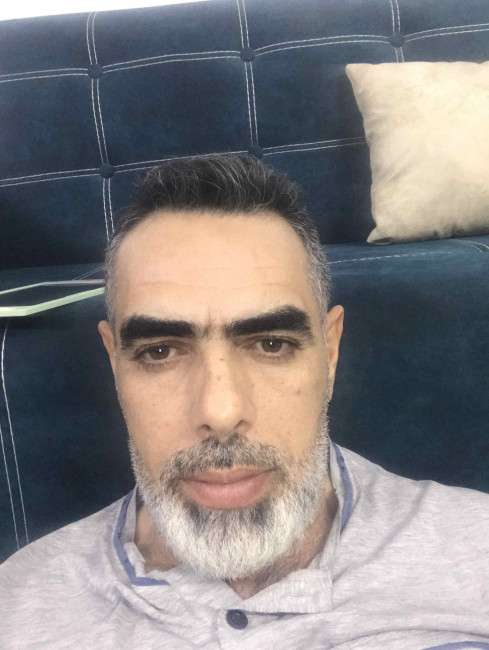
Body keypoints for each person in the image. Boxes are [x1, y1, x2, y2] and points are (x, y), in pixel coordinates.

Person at [1, 154, 488, 650]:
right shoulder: (17, 608)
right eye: (160, 351)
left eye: (271, 344)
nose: (221, 412)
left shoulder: (476, 549)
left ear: (330, 352)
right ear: (114, 362)